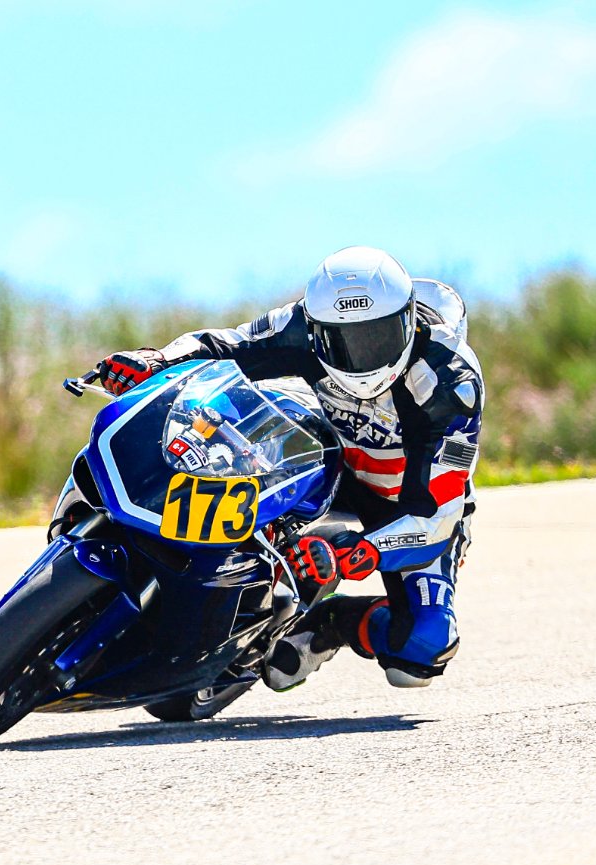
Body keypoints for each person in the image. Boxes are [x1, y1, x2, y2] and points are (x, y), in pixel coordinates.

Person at [97, 246, 484, 692]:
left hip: (408, 499)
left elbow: (434, 516)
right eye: (342, 341)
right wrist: (156, 360)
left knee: (422, 648)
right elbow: (224, 344)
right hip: (324, 461)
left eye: (376, 338)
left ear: (409, 321)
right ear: (318, 328)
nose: (361, 357)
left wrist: (355, 553)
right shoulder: (301, 324)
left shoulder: (451, 382)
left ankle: (332, 622)